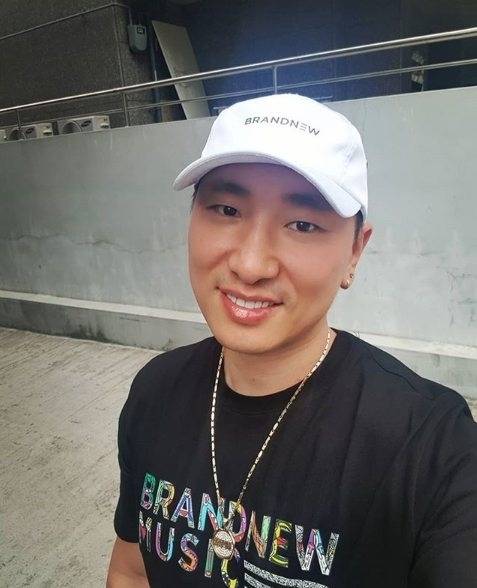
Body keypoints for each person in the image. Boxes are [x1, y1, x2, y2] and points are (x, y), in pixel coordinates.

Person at [106, 93, 477, 587]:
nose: (250, 265)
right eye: (227, 209)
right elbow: (131, 570)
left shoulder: (432, 445)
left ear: (355, 252)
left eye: (302, 224)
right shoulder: (155, 391)